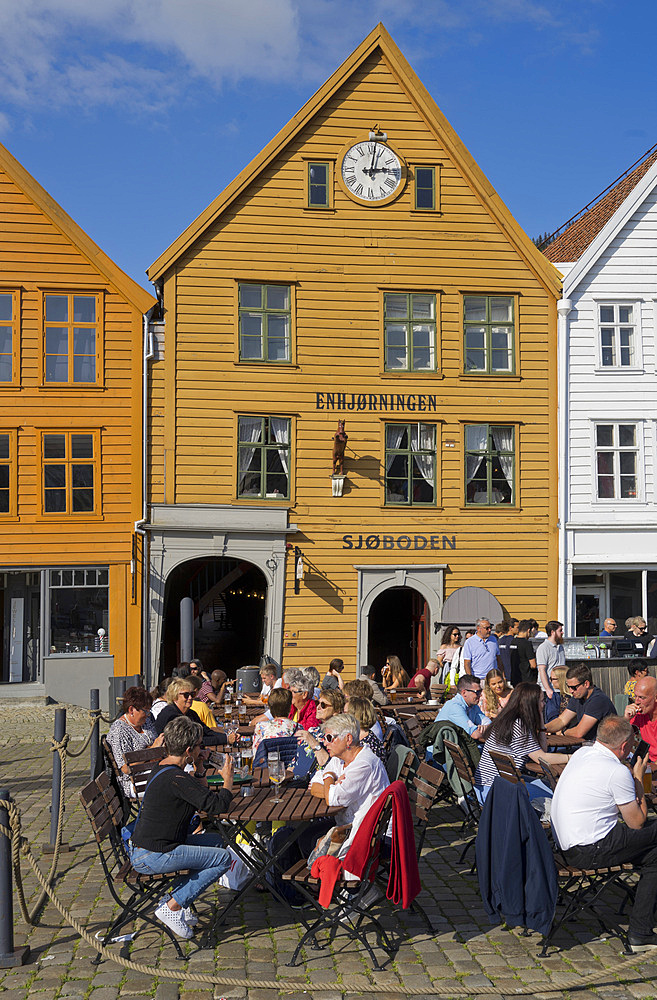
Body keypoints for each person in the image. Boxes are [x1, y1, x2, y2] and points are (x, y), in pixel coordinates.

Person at [551, 715, 657, 951]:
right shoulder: (615, 771)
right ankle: (639, 930)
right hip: (590, 850)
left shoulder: (582, 754)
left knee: (654, 855)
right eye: (631, 744)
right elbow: (637, 823)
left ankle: (641, 929)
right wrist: (638, 778)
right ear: (623, 747)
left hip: (566, 846)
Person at [129, 716, 235, 940]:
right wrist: (228, 780)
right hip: (153, 854)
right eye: (199, 747)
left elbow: (201, 797)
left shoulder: (166, 768)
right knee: (223, 858)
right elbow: (216, 805)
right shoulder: (177, 779)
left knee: (216, 842)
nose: (201, 750)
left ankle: (176, 899)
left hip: (154, 845)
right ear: (188, 750)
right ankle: (173, 906)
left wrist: (199, 768)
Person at [474, 683, 570, 801]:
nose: (544, 704)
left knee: (551, 788)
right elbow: (542, 757)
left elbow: (542, 750)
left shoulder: (506, 719)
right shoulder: (519, 726)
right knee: (556, 798)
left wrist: (540, 722)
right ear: (531, 704)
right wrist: (571, 757)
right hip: (495, 791)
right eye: (541, 701)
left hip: (487, 785)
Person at [106, 686, 159, 799]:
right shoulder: (119, 730)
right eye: (145, 710)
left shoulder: (146, 721)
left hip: (153, 769)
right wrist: (151, 751)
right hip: (134, 781)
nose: (148, 714)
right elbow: (125, 768)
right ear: (131, 710)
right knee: (170, 784)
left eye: (149, 710)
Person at [153, 677, 232, 747]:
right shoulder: (172, 715)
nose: (190, 698)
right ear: (175, 697)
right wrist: (225, 739)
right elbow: (191, 742)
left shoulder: (191, 713)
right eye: (186, 695)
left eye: (192, 694)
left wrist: (228, 736)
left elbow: (206, 732)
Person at [546, 662, 615, 740]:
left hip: (605, 747)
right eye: (568, 687)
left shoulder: (598, 700)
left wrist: (564, 732)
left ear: (586, 684)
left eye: (574, 687)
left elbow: (579, 732)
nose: (570, 691)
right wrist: (543, 728)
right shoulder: (578, 697)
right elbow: (561, 720)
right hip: (589, 745)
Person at [435, 674, 491, 741]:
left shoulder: (473, 706)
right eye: (477, 692)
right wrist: (485, 729)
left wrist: (485, 727)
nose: (480, 694)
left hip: (457, 747)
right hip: (440, 750)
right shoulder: (455, 707)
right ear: (464, 693)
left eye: (480, 691)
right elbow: (475, 734)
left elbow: (488, 723)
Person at [296, 687, 346, 759]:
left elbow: (331, 765)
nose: (318, 707)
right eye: (318, 703)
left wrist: (313, 743)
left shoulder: (338, 736)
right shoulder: (313, 731)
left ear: (336, 710)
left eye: (323, 705)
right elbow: (296, 759)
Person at [252, 687, 298, 752]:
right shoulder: (298, 727)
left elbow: (256, 752)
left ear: (270, 707)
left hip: (268, 761)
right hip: (290, 761)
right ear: (290, 707)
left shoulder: (261, 727)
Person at [625, 675, 657, 762]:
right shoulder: (640, 715)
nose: (636, 702)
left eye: (642, 698)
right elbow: (618, 739)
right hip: (646, 762)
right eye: (635, 696)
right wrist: (626, 719)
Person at [344, 695, 386, 761]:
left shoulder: (367, 746)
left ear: (356, 716)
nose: (341, 717)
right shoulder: (363, 737)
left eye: (345, 713)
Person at [536, 620, 565, 708]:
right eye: (560, 630)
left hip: (560, 689)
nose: (562, 632)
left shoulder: (560, 647)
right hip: (548, 691)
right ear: (552, 632)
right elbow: (541, 670)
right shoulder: (543, 648)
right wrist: (548, 689)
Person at [511, 620, 538, 685]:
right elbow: (533, 665)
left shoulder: (512, 641)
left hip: (514, 677)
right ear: (528, 630)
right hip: (526, 679)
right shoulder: (527, 644)